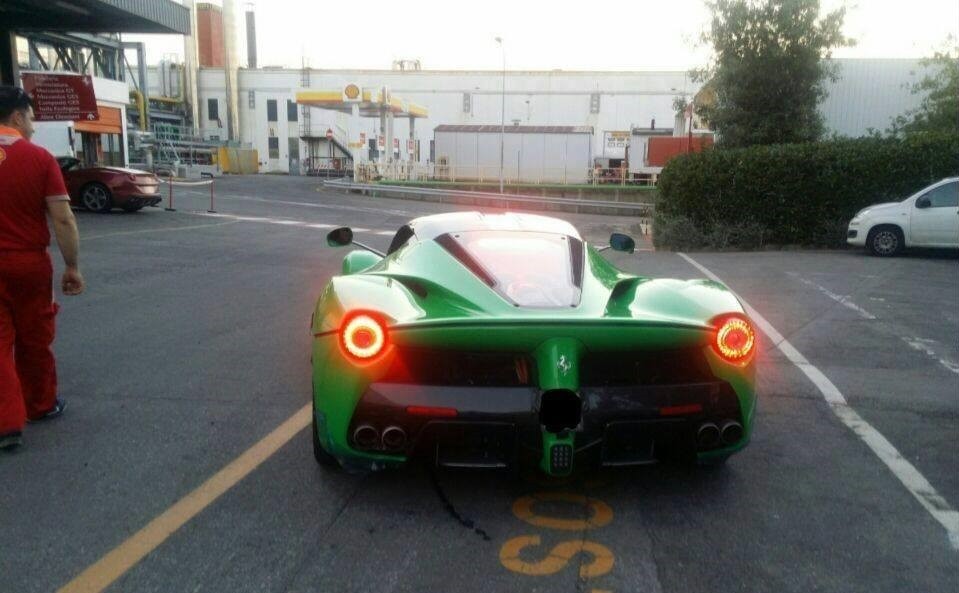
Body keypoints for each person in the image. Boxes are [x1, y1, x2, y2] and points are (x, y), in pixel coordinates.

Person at [0, 86, 85, 451]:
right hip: (27, 264)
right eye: (31, 118)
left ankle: (6, 423)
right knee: (35, 336)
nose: (34, 127)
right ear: (17, 117)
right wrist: (72, 267)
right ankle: (40, 404)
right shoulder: (38, 158)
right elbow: (63, 219)